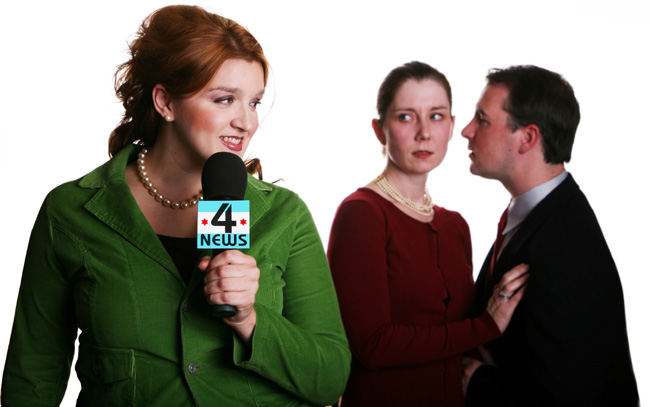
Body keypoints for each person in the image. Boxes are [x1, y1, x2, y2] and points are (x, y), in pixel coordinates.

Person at [1, 5, 350, 406]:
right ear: (165, 102)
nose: (247, 122)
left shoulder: (283, 215)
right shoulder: (71, 212)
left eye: (254, 102)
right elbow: (31, 380)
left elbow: (329, 378)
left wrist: (249, 320)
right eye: (224, 100)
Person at [327, 61, 529, 407]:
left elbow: (458, 337)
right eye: (406, 116)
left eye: (436, 116)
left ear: (452, 126)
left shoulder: (455, 226)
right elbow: (372, 345)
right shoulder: (362, 213)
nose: (424, 132)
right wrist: (485, 326)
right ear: (380, 129)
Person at [461, 65, 639, 406]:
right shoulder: (542, 215)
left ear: (527, 138)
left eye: (482, 119)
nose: (466, 131)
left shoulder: (566, 245)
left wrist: (478, 381)